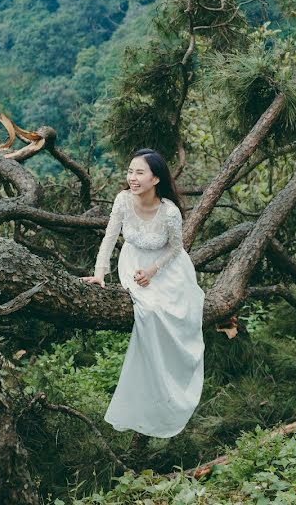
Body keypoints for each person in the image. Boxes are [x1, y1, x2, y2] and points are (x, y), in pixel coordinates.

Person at [81, 148, 205, 439]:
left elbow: (176, 249)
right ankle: (149, 392)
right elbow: (111, 236)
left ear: (155, 179)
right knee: (147, 311)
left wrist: (153, 271)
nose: (132, 178)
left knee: (168, 314)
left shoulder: (170, 211)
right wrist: (100, 273)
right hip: (133, 262)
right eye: (130, 172)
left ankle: (174, 383)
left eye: (139, 173)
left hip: (167, 268)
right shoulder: (123, 200)